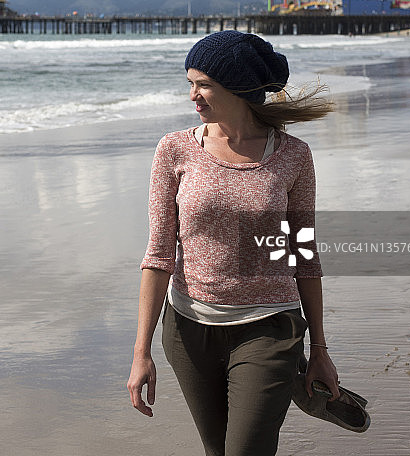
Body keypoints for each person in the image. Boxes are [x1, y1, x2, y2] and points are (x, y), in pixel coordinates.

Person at [127, 30, 339, 456]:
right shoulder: (174, 150)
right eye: (189, 83)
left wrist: (319, 348)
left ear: (240, 89)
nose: (193, 96)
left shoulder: (294, 155)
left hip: (269, 328)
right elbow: (159, 255)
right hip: (188, 331)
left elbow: (304, 256)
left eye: (203, 84)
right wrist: (141, 352)